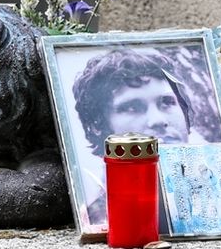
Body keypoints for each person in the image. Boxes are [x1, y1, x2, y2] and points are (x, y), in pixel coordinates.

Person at [72, 49, 196, 222]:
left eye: (167, 102)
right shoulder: (99, 219)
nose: (157, 120)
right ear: (97, 124)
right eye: (132, 107)